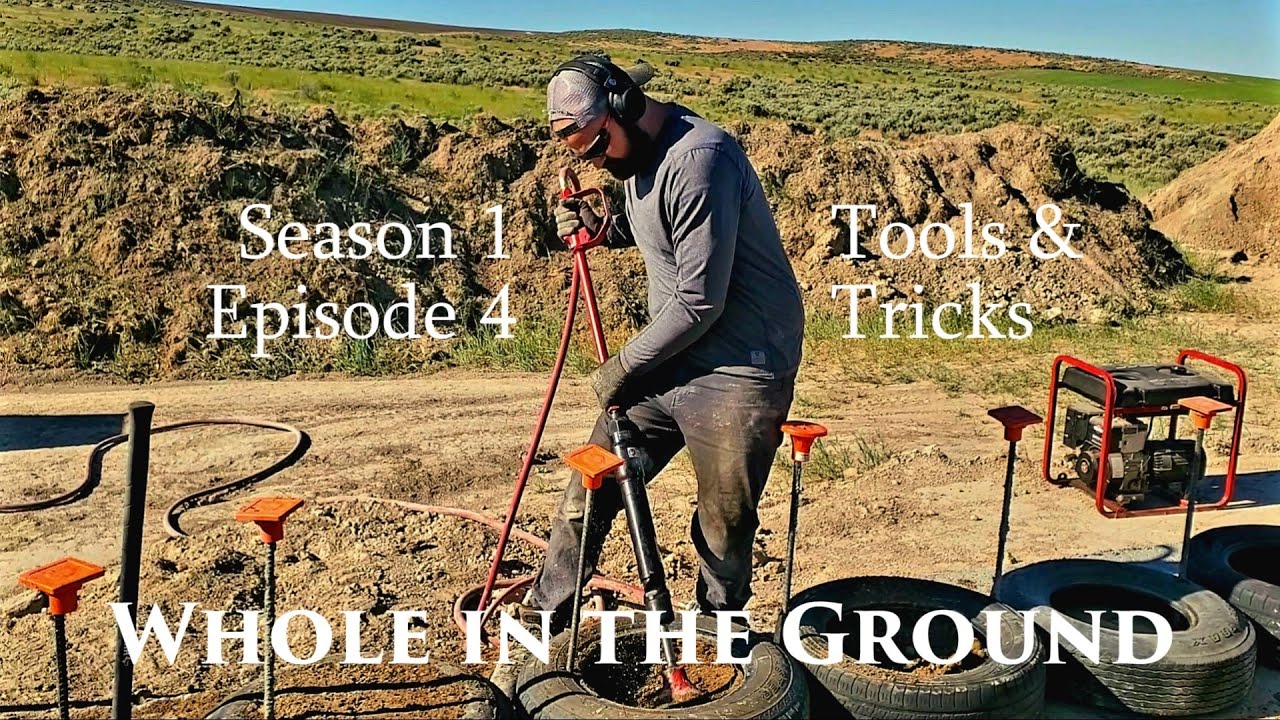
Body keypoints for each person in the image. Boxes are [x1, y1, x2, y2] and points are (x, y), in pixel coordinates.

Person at [520, 55, 805, 630]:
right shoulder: (640, 163)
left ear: (624, 105)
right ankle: (547, 617)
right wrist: (595, 226)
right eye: (584, 155)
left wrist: (621, 365)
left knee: (724, 520)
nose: (598, 161)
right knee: (590, 484)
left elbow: (700, 300)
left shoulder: (701, 159)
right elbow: (644, 225)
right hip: (672, 359)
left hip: (739, 369)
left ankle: (716, 629)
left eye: (599, 145)